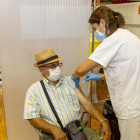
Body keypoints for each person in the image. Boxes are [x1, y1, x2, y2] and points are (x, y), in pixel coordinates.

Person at [72, 6, 140, 140]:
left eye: (95, 28)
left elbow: (81, 69)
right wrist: (100, 77)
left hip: (129, 105)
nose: (96, 32)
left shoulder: (114, 40)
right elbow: (126, 71)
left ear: (102, 22)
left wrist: (74, 77)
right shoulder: (128, 35)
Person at [23, 48, 111, 140]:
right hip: (53, 134)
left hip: (77, 129)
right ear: (41, 69)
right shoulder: (34, 90)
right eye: (52, 66)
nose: (57, 68)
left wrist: (103, 120)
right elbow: (32, 118)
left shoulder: (70, 81)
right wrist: (53, 129)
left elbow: (86, 104)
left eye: (58, 64)